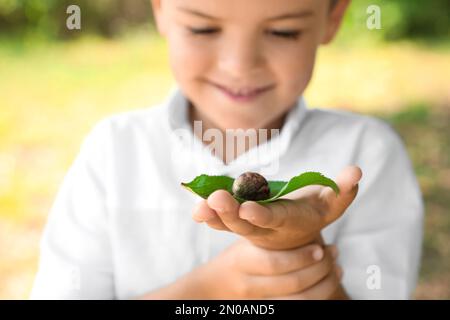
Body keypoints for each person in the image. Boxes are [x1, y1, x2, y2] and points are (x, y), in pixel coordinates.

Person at [30, 0, 423, 300]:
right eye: (202, 28)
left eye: (283, 32)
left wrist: (300, 252)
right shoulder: (113, 151)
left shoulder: (367, 154)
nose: (238, 65)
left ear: (333, 17)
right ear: (161, 10)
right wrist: (209, 291)